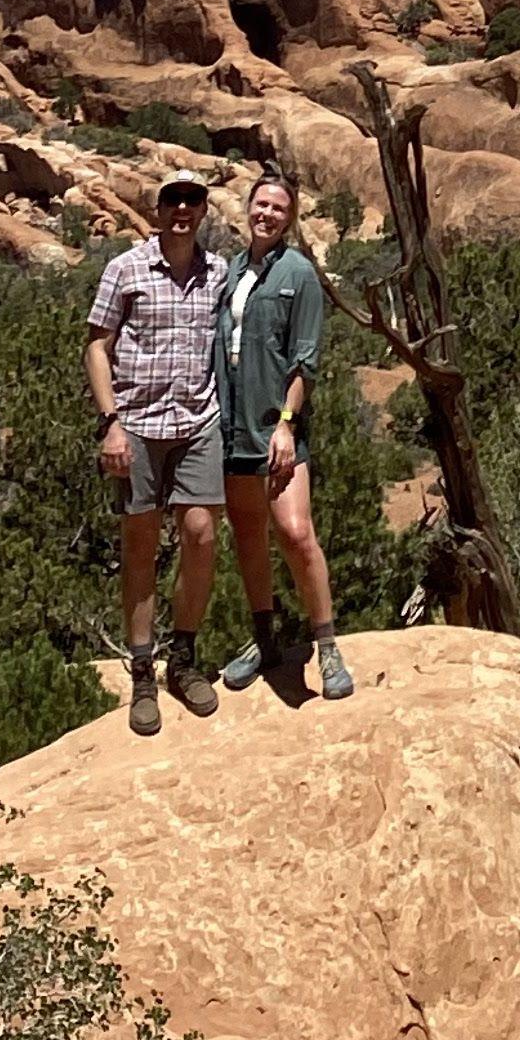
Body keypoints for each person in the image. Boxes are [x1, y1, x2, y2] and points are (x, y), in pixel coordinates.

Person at [85, 170, 231, 733]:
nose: (183, 209)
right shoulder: (125, 269)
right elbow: (97, 345)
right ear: (158, 207)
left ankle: (184, 658)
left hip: (197, 422)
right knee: (140, 544)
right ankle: (143, 671)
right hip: (137, 426)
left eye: (194, 200)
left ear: (202, 211)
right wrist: (110, 423)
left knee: (200, 534)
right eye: (174, 199)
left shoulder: (217, 271)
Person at [215, 168, 350, 699]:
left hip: (276, 430)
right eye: (260, 204)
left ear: (290, 218)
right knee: (249, 537)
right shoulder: (230, 273)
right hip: (229, 430)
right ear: (247, 210)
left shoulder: (298, 274)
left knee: (295, 533)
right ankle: (264, 639)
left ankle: (328, 645)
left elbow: (306, 361)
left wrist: (288, 426)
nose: (266, 213)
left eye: (278, 207)